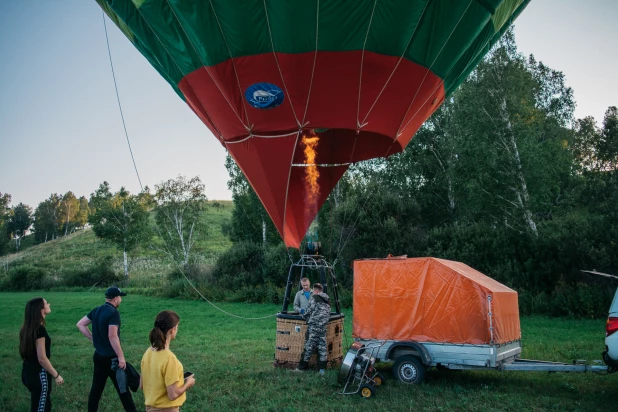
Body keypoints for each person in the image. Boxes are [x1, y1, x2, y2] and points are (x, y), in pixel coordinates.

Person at [76, 287, 137, 412]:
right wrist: (121, 357)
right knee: (123, 389)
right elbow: (112, 335)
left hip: (98, 356)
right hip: (112, 359)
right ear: (115, 299)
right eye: (120, 297)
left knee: (96, 390)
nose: (121, 300)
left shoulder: (97, 310)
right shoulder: (113, 313)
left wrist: (93, 339)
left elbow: (80, 324)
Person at [141, 310, 195, 412]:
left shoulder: (148, 352)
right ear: (172, 330)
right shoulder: (170, 359)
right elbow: (173, 394)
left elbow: (142, 385)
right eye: (177, 327)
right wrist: (188, 383)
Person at [19, 297, 64, 412]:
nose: (49, 304)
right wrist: (56, 375)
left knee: (41, 404)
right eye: (46, 303)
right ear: (41, 310)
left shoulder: (26, 328)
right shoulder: (39, 330)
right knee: (41, 408)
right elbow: (42, 359)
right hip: (39, 375)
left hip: (27, 372)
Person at [298, 283, 331, 375]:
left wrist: (304, 316)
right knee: (322, 347)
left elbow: (308, 311)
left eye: (313, 291)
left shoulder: (314, 298)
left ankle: (302, 368)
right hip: (323, 327)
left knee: (309, 346)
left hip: (314, 326)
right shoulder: (327, 299)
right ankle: (322, 370)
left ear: (316, 291)